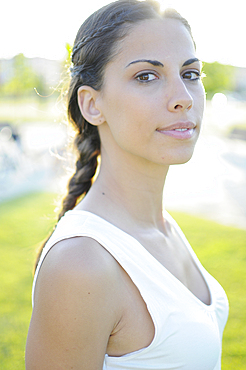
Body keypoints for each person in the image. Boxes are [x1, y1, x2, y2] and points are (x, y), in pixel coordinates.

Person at [25, 1, 229, 369]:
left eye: (191, 74)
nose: (183, 98)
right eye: (146, 76)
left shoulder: (163, 227)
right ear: (92, 104)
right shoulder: (81, 263)